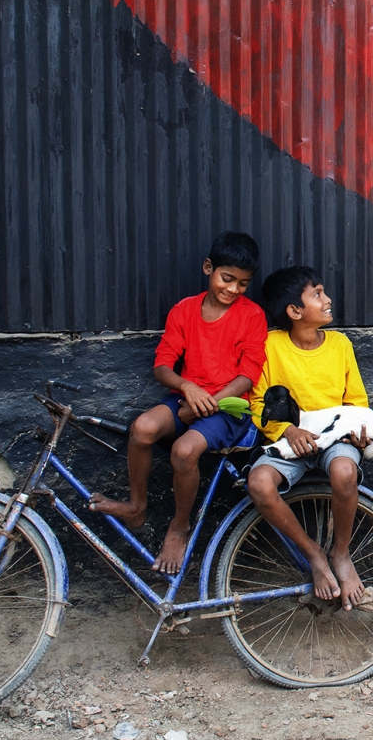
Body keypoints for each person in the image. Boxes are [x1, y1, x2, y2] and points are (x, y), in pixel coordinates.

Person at [88, 232, 267, 574]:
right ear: (208, 268)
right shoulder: (184, 310)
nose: (233, 289)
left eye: (243, 284)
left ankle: (179, 526)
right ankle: (136, 506)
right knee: (142, 428)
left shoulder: (252, 316)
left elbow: (248, 376)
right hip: (185, 397)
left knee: (184, 451)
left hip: (229, 409)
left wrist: (206, 403)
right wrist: (187, 388)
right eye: (227, 278)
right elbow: (162, 366)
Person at [246, 266, 373, 610]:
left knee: (344, 472)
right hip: (289, 441)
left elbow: (356, 403)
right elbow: (256, 403)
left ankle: (341, 554)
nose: (327, 299)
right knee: (259, 483)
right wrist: (287, 430)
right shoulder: (271, 346)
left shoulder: (340, 345)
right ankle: (314, 554)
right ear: (294, 311)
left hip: (336, 439)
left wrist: (360, 433)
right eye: (317, 294)